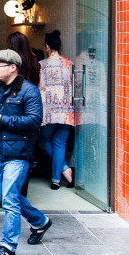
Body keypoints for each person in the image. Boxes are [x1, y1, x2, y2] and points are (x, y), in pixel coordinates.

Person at [0, 49, 51, 255]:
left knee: (9, 200)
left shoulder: (29, 91)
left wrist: (0, 120)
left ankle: (8, 246)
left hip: (19, 153)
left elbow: (34, 120)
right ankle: (40, 221)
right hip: (0, 150)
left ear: (13, 68)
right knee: (9, 197)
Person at [38, 30, 75, 189]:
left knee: (43, 138)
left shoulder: (42, 65)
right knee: (60, 143)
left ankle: (64, 169)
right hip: (66, 111)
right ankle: (56, 179)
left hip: (49, 112)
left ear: (47, 46)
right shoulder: (69, 64)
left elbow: (39, 88)